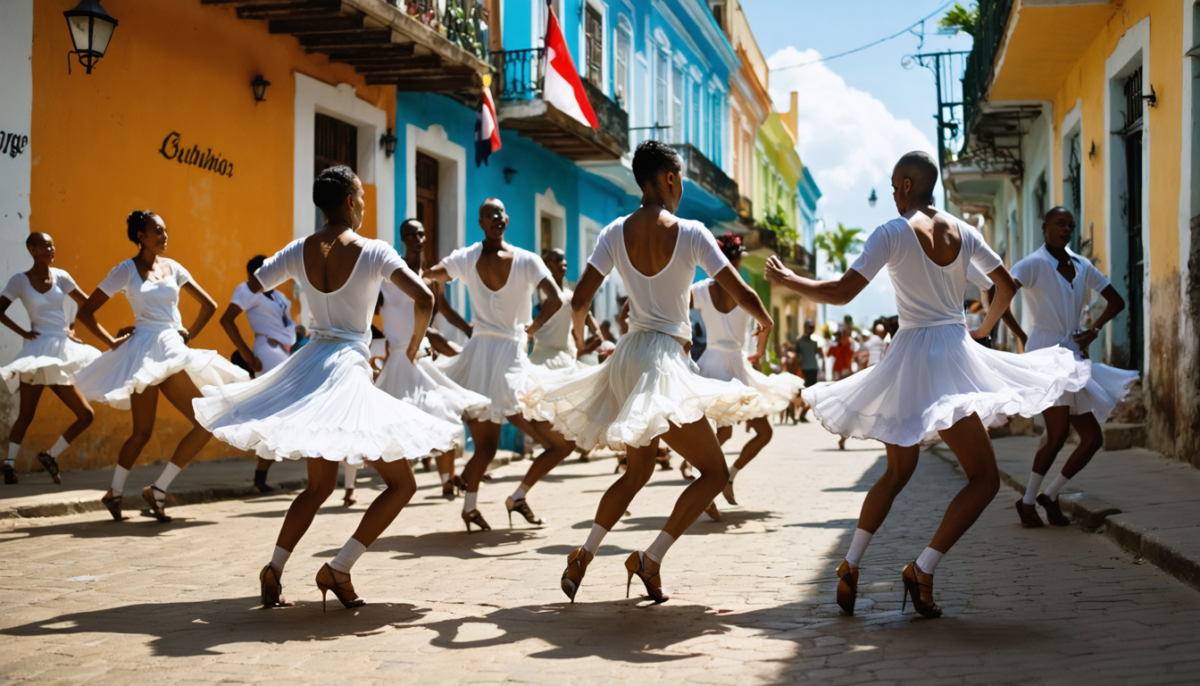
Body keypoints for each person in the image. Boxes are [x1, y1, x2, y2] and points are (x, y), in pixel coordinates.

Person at [765, 151, 1088, 618]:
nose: (894, 192)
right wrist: (980, 331)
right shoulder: (965, 231)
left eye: (895, 185)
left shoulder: (892, 232)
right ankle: (923, 567)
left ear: (904, 184)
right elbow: (1004, 287)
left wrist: (792, 279)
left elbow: (841, 292)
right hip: (953, 355)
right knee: (984, 478)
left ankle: (851, 564)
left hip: (911, 359)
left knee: (898, 471)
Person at [193, 166, 462, 609]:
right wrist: (412, 348)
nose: (363, 204)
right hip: (345, 371)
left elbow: (254, 284)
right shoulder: (374, 251)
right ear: (352, 201)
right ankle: (339, 567)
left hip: (309, 364)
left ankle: (274, 569)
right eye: (362, 197)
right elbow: (426, 298)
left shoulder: (299, 249)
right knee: (402, 485)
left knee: (318, 488)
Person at [545, 140, 772, 604]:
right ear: (669, 178)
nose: (683, 185)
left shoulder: (612, 232)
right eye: (682, 177)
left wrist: (576, 341)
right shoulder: (690, 232)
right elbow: (739, 289)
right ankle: (650, 558)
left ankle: (583, 555)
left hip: (628, 358)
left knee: (637, 472)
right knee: (713, 472)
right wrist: (763, 319)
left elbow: (581, 298)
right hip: (663, 362)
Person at [75, 211, 249, 523]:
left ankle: (153, 489)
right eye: (157, 231)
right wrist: (111, 342)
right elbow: (86, 312)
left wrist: (188, 333)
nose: (164, 236)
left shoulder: (174, 267)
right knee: (142, 432)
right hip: (142, 353)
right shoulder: (125, 270)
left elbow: (208, 305)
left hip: (170, 350)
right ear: (140, 236)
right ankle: (117, 493)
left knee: (204, 421)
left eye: (165, 230)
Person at [424, 198, 577, 531]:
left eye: (500, 213)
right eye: (489, 214)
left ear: (507, 219)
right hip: (486, 360)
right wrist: (428, 293)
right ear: (480, 222)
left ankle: (513, 497)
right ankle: (475, 507)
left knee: (558, 443)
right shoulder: (466, 257)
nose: (496, 218)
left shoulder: (526, 260)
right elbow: (430, 276)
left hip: (503, 359)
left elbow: (553, 298)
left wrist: (531, 330)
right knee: (490, 447)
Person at [998, 207, 1139, 529]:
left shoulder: (1081, 264)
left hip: (1073, 355)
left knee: (1092, 438)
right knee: (1058, 434)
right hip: (1045, 356)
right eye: (1060, 224)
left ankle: (1047, 494)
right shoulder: (1033, 264)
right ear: (1045, 226)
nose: (1066, 230)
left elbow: (1117, 301)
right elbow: (1000, 293)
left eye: (1071, 225)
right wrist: (1022, 335)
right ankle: (1029, 501)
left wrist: (1095, 329)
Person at [374, 219, 490, 499]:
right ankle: (399, 482)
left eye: (421, 233)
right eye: (411, 234)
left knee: (444, 414)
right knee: (392, 423)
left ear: (426, 238)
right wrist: (378, 347)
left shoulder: (431, 278)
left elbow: (444, 311)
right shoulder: (388, 276)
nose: (417, 238)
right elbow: (368, 315)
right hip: (399, 359)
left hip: (423, 357)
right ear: (403, 238)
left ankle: (447, 480)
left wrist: (467, 329)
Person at [690, 233, 804, 510]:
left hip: (711, 364)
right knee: (761, 433)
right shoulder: (745, 289)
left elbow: (677, 321)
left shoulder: (699, 290)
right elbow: (767, 323)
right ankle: (721, 479)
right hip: (737, 366)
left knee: (719, 435)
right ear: (738, 258)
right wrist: (760, 352)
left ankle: (713, 481)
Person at [0, 233, 102, 484]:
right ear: (32, 250)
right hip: (36, 353)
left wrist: (71, 325)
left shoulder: (62, 277)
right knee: (26, 414)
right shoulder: (20, 281)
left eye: (52, 244)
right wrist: (23, 332)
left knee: (86, 414)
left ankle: (50, 455)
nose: (51, 248)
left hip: (61, 352)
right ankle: (9, 464)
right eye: (45, 245)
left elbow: (86, 304)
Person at [218, 255, 298, 494]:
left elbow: (287, 324)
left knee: (280, 414)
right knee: (280, 411)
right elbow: (226, 319)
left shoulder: (277, 295)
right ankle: (261, 475)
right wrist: (246, 354)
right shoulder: (248, 291)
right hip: (267, 350)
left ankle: (261, 477)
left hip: (284, 351)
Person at [528, 248, 605, 370]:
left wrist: (595, 335)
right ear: (549, 266)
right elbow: (557, 299)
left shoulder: (570, 295)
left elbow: (588, 316)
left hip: (564, 356)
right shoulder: (543, 293)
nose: (563, 263)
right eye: (558, 260)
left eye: (564, 260)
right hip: (542, 356)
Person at [794, 321, 822, 423]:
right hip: (804, 369)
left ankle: (803, 414)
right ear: (805, 327)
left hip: (813, 369)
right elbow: (797, 357)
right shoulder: (799, 341)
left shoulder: (815, 341)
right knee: (803, 394)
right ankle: (798, 413)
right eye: (809, 327)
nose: (810, 329)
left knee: (812, 395)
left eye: (812, 327)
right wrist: (796, 370)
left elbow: (819, 354)